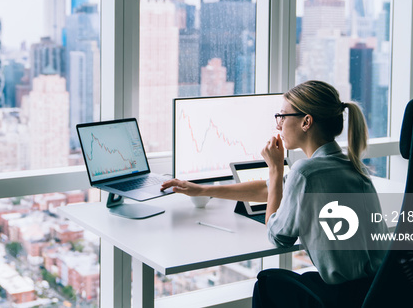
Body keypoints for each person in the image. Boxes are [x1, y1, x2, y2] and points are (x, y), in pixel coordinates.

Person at [160, 80, 388, 307]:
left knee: (266, 283)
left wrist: (276, 168)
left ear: (306, 122)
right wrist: (200, 189)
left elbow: (278, 235)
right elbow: (268, 189)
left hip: (341, 298)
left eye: (282, 116)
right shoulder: (351, 166)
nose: (278, 125)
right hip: (375, 291)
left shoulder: (306, 172)